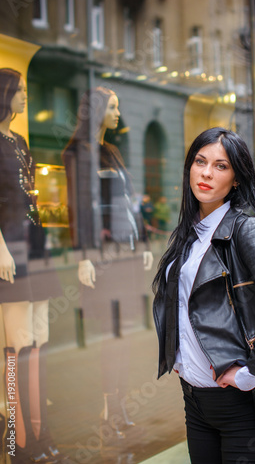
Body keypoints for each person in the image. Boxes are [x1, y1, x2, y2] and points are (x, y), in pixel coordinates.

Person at [152, 127, 255, 464]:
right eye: (200, 161)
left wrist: (253, 374)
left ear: (236, 179)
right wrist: (179, 357)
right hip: (195, 402)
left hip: (239, 408)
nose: (206, 173)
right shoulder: (191, 233)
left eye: (221, 166)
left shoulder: (243, 228)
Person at [62, 87, 153, 442]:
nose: (118, 113)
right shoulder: (77, 153)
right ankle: (108, 407)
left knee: (125, 332)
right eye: (113, 107)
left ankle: (118, 404)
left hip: (125, 255)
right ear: (97, 110)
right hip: (103, 258)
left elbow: (129, 202)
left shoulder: (111, 151)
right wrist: (83, 254)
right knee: (110, 335)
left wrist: (143, 240)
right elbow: (77, 208)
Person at [0, 68, 65, 463]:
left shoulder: (20, 141)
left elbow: (32, 198)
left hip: (35, 247)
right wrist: (0, 247)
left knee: (38, 341)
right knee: (17, 346)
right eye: (19, 90)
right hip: (10, 250)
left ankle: (39, 431)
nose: (25, 96)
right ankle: (17, 441)